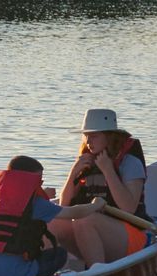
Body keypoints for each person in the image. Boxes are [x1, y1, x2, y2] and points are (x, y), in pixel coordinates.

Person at [47, 108, 149, 267]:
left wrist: (108, 170)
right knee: (51, 222)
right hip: (93, 234)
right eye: (86, 136)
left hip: (133, 239)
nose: (88, 141)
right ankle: (44, 273)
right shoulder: (86, 162)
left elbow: (128, 208)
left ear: (109, 136)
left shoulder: (130, 162)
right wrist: (73, 172)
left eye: (94, 136)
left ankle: (96, 274)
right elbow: (63, 205)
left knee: (84, 219)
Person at [0, 155, 73, 276]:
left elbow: (22, 202)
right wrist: (96, 205)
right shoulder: (37, 204)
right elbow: (75, 213)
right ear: (26, 180)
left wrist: (43, 195)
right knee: (60, 254)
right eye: (38, 181)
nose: (40, 184)